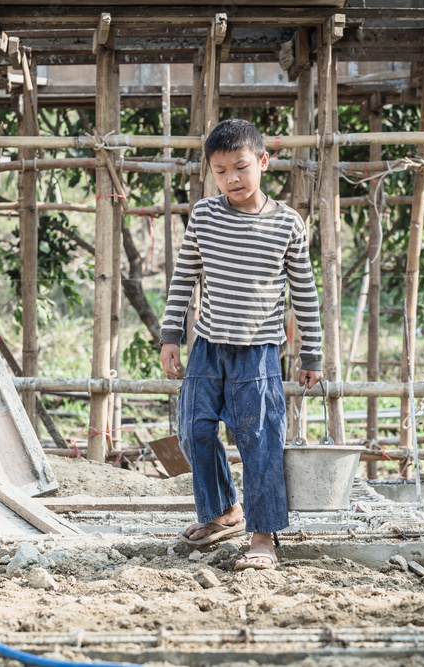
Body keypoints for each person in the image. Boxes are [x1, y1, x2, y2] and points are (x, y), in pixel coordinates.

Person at [158, 118, 324, 571]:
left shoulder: (288, 224)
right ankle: (223, 510)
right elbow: (184, 277)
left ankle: (263, 536)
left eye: (241, 167)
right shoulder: (205, 216)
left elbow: (304, 291)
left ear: (263, 163)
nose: (231, 178)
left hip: (259, 352)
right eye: (220, 170)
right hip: (208, 346)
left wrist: (313, 352)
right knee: (192, 429)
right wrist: (171, 335)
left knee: (260, 442)